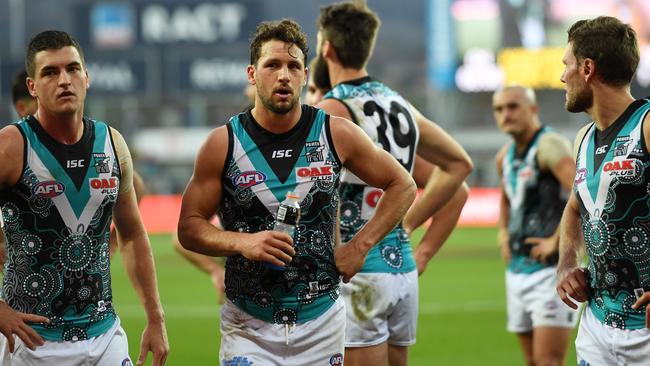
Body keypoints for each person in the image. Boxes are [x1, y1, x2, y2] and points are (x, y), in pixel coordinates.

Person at [177, 19, 416, 365]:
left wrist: (360, 247)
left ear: (306, 74)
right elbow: (188, 226)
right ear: (251, 73)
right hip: (248, 326)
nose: (284, 75)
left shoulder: (336, 133)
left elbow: (403, 184)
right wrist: (244, 243)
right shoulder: (222, 144)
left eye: (293, 66)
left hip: (322, 323)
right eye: (272, 65)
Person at [315, 2, 473, 365]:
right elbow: (459, 164)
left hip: (358, 270)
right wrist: (405, 223)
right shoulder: (397, 102)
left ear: (327, 49)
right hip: (401, 269)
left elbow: (323, 191)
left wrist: (355, 245)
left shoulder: (332, 109)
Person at [0, 30, 168, 366]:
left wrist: (155, 317)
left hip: (104, 336)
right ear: (32, 87)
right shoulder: (11, 146)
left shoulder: (112, 142)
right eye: (50, 72)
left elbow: (133, 234)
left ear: (87, 78)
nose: (64, 80)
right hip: (32, 344)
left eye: (72, 69)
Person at [556, 16, 650, 365]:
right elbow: (575, 207)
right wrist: (566, 264)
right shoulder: (583, 138)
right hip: (596, 324)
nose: (562, 76)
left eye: (567, 65)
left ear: (588, 68)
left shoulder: (647, 125)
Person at [494, 85, 578, 366]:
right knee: (532, 361)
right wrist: (503, 234)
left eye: (513, 106)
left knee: (548, 361)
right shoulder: (504, 156)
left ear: (533, 109)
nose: (506, 114)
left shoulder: (549, 146)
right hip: (516, 270)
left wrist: (557, 240)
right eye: (499, 109)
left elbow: (583, 194)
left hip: (549, 273)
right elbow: (506, 198)